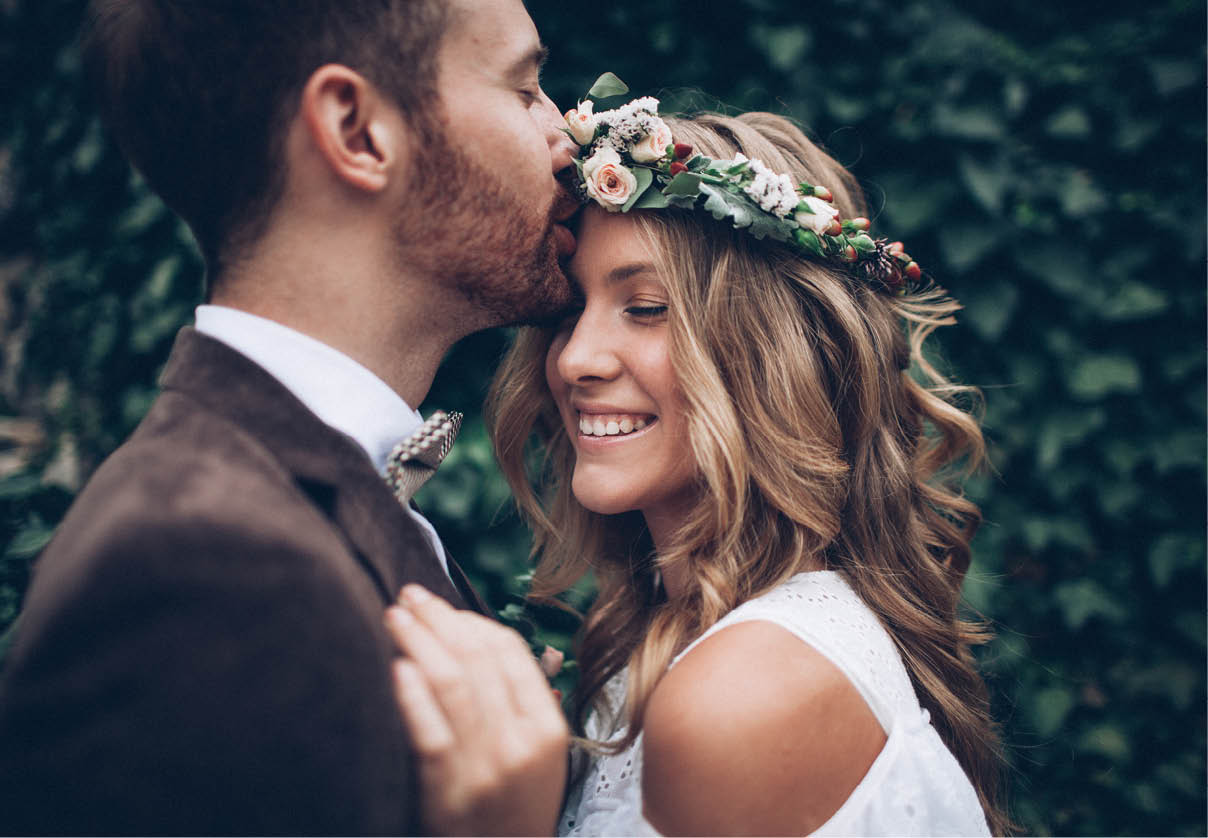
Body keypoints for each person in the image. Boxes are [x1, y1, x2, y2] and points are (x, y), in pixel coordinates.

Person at [0, 0, 577, 833]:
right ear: (356, 131)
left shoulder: (294, 496)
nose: (568, 134)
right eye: (524, 90)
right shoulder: (197, 565)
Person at [384, 98, 1010, 835]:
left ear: (776, 354)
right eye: (568, 312)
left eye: (647, 307)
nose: (576, 359)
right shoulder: (678, 641)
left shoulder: (745, 691)